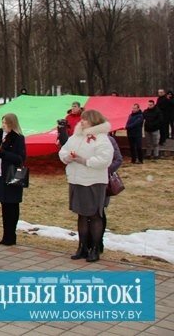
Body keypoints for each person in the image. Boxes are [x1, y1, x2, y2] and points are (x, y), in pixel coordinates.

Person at [58, 109, 112, 263]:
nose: (82, 122)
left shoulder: (101, 138)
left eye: (85, 120)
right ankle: (82, 247)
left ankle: (95, 248)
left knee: (94, 215)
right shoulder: (76, 136)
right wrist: (68, 157)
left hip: (94, 181)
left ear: (94, 121)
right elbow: (63, 150)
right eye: (81, 119)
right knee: (81, 214)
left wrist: (84, 161)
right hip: (76, 179)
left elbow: (105, 160)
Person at [0, 113, 26, 246]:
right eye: (2, 122)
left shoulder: (18, 138)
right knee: (4, 204)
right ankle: (6, 234)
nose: (3, 125)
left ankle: (11, 235)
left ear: (12, 124)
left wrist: (4, 153)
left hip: (13, 174)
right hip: (0, 174)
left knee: (12, 205)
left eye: (6, 123)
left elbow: (20, 158)